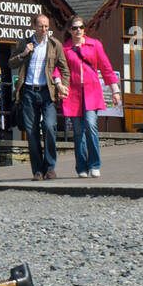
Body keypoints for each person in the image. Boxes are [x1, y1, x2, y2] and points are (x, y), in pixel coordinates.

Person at [9, 13, 69, 181]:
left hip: (47, 92)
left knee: (49, 127)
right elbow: (11, 63)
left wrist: (63, 85)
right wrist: (24, 53)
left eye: (46, 27)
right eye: (41, 26)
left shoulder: (54, 45)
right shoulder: (24, 43)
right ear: (34, 26)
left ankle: (50, 167)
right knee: (32, 131)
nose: (44, 30)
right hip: (28, 91)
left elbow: (64, 68)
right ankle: (38, 171)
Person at [61, 16, 120, 178]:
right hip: (73, 95)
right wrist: (59, 83)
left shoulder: (95, 45)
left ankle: (94, 164)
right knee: (79, 131)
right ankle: (81, 167)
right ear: (69, 30)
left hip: (92, 92)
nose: (78, 30)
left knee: (91, 126)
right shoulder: (65, 49)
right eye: (74, 28)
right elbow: (59, 69)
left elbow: (106, 68)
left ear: (84, 29)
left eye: (80, 27)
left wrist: (115, 90)